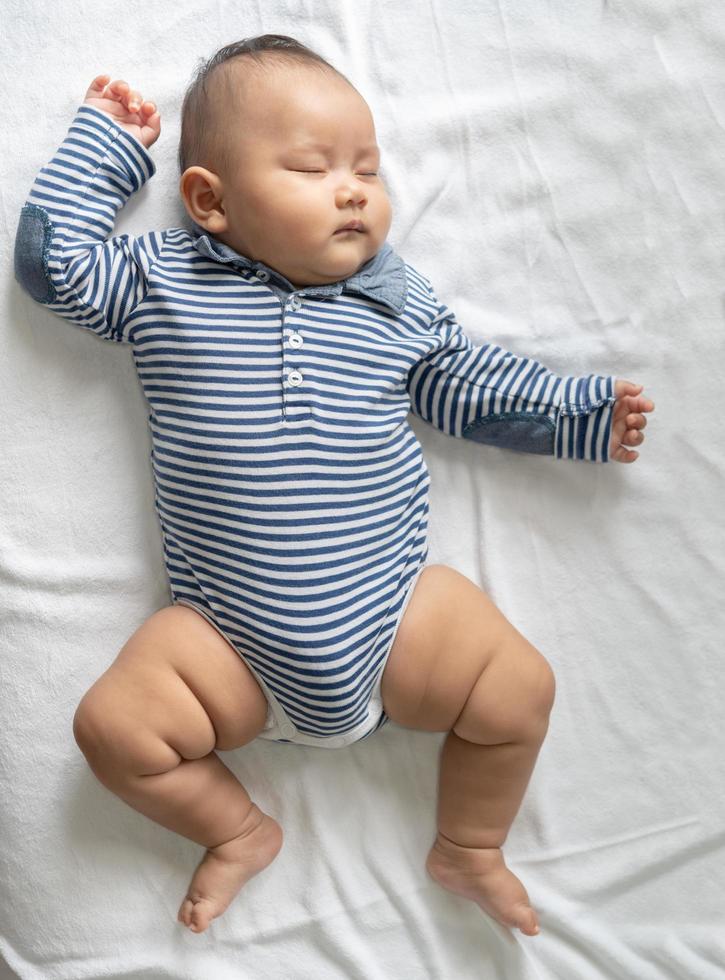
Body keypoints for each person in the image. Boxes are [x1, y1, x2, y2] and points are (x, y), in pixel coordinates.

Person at [14, 34, 654, 938]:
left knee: (519, 689)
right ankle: (236, 829)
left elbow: (466, 385)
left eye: (368, 169)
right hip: (227, 654)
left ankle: (469, 846)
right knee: (112, 730)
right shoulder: (165, 280)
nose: (353, 188)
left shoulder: (395, 304)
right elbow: (57, 269)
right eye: (313, 168)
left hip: (395, 628)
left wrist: (579, 413)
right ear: (210, 200)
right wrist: (107, 147)